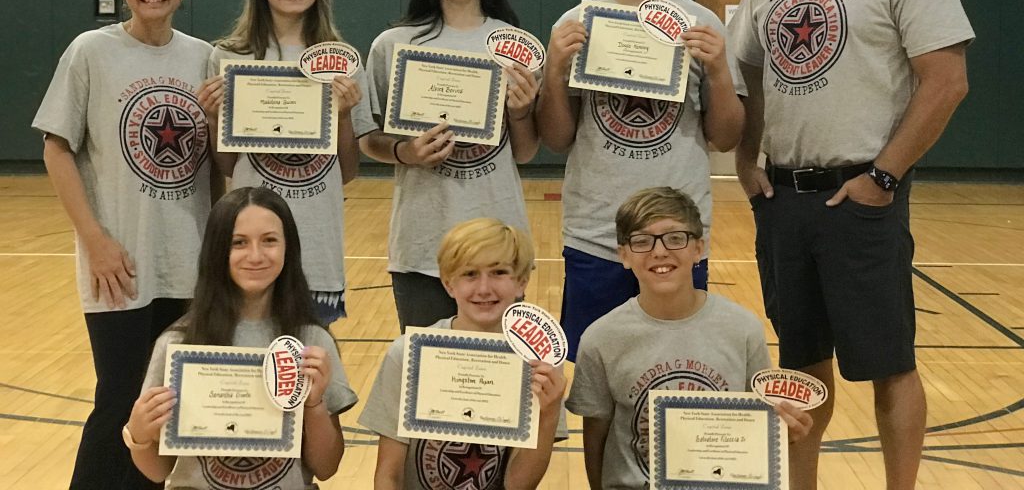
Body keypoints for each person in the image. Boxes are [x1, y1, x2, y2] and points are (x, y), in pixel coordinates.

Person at [728, 0, 974, 490]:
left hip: (861, 198)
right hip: (783, 198)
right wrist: (746, 162)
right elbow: (746, 74)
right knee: (801, 362)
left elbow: (947, 82)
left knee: (889, 361)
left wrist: (883, 175)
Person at [32, 0, 215, 489]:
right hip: (119, 267)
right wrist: (96, 240)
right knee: (119, 403)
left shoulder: (207, 60)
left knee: (177, 410)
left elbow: (223, 163)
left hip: (190, 266)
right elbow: (56, 149)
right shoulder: (91, 51)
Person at [536, 0, 744, 359]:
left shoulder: (702, 25)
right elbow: (557, 138)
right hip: (597, 231)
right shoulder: (575, 24)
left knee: (675, 367)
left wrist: (717, 70)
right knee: (593, 377)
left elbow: (726, 137)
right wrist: (554, 70)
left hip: (678, 236)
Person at [360, 0, 540, 332]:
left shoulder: (514, 44)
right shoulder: (393, 45)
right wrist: (405, 151)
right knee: (426, 376)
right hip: (422, 241)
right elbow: (369, 138)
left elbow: (527, 152)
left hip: (500, 239)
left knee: (494, 376)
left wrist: (520, 112)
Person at [566, 186, 811, 490]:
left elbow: (759, 423)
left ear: (698, 249)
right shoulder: (601, 338)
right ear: (624, 255)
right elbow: (596, 437)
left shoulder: (742, 329)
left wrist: (784, 431)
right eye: (642, 241)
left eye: (675, 238)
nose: (659, 251)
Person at [199, 0, 375, 325]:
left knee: (311, 375)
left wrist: (344, 115)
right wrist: (213, 117)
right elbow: (228, 166)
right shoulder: (228, 57)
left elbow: (347, 172)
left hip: (316, 243)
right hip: (251, 246)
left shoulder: (343, 60)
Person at [125, 186, 355, 487]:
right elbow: (158, 471)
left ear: (289, 248)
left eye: (269, 241)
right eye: (239, 243)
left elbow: (326, 467)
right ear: (217, 250)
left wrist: (313, 405)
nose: (255, 256)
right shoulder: (178, 343)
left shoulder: (312, 342)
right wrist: (139, 435)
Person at [358, 218, 566, 489]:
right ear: (448, 284)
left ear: (522, 282)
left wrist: (548, 415)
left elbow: (518, 484)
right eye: (470, 274)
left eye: (499, 272)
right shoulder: (408, 354)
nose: (483, 288)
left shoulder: (538, 364)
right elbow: (389, 475)